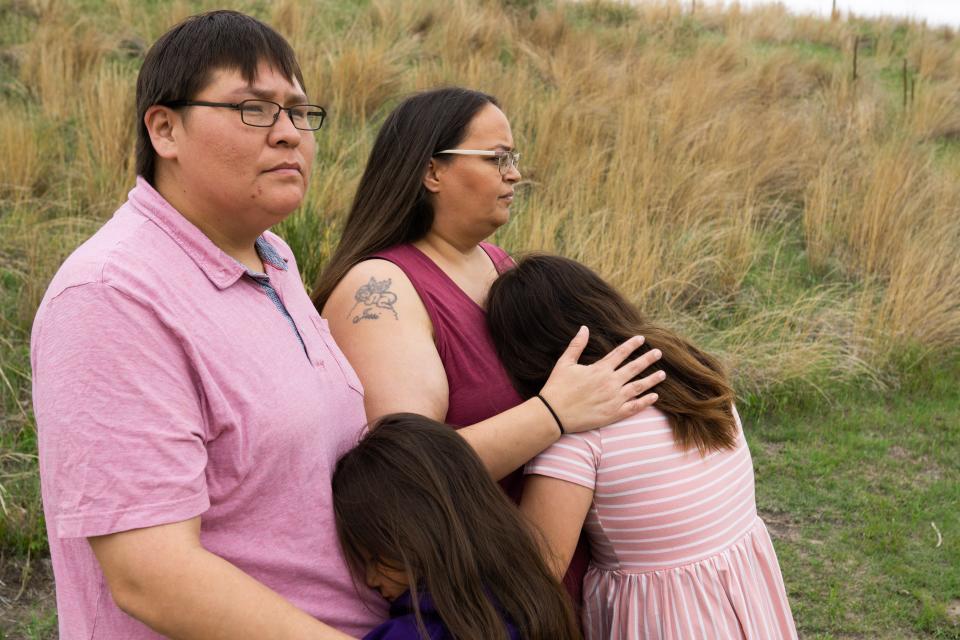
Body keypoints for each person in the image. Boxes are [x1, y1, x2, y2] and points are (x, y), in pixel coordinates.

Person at [31, 10, 380, 639]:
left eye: (300, 113)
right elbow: (151, 575)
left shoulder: (272, 255)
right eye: (253, 109)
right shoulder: (112, 296)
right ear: (164, 129)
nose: (289, 134)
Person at [313, 87, 666, 604]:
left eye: (514, 158)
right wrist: (553, 413)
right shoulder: (379, 291)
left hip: (549, 583)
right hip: (478, 605)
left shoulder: (498, 264)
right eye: (497, 158)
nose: (515, 174)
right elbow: (403, 476)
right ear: (432, 172)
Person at [485, 254, 799, 640]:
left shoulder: (577, 436)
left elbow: (537, 571)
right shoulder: (690, 368)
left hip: (664, 619)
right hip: (742, 598)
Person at [332, 413, 581, 640]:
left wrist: (290, 619)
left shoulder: (422, 633)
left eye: (377, 557)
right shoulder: (533, 600)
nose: (371, 579)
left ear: (425, 530)